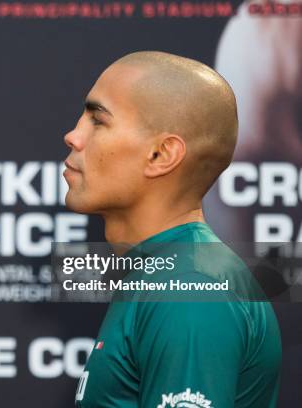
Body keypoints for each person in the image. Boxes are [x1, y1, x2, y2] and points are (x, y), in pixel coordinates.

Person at [63, 51, 281, 407]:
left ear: (161, 155)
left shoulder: (191, 288)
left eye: (98, 120)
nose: (73, 136)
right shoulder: (169, 274)